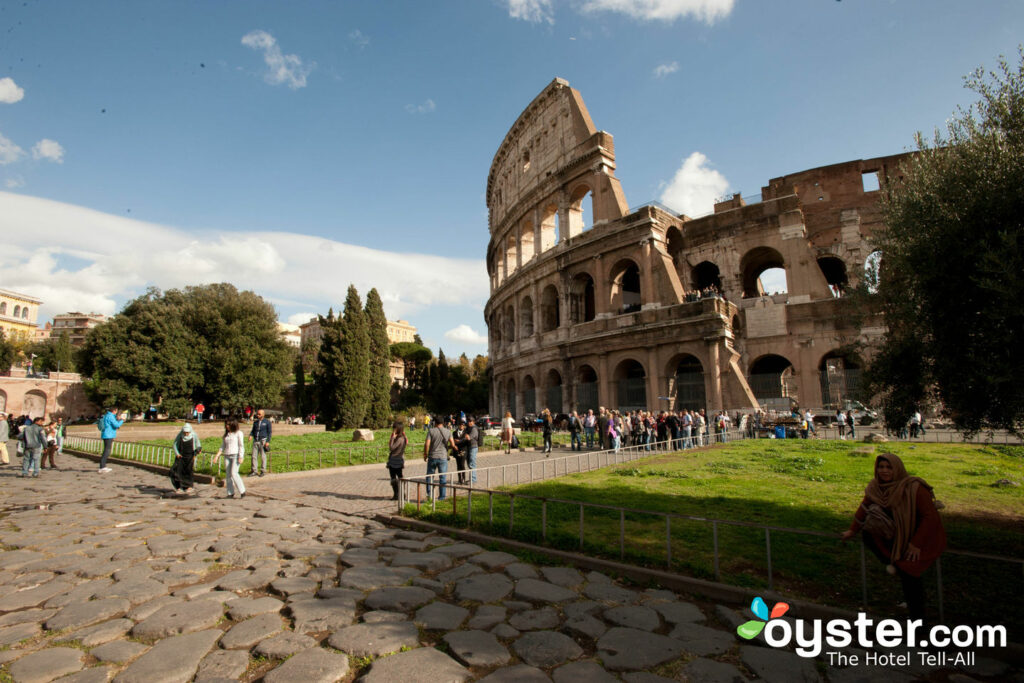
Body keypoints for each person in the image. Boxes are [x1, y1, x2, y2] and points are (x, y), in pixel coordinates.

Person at [841, 453, 946, 621]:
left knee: (911, 581)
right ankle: (895, 563)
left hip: (917, 538)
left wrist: (916, 544)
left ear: (897, 468)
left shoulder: (914, 488)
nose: (884, 471)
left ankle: (919, 625)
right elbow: (864, 509)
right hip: (895, 538)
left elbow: (930, 517)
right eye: (881, 467)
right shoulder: (876, 488)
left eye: (889, 467)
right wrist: (852, 531)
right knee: (869, 534)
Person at [423, 415, 455, 500]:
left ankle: (429, 496)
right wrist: (447, 447)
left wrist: (425, 454)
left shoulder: (431, 431)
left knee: (430, 477)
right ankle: (442, 497)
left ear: (435, 423)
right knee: (443, 478)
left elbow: (427, 444)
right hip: (443, 457)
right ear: (443, 423)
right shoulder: (448, 432)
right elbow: (452, 444)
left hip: (432, 456)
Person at [213, 420, 246, 499]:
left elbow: (241, 445)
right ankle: (230, 493)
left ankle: (242, 491)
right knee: (228, 475)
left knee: (234, 473)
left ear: (233, 424)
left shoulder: (238, 433)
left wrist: (241, 456)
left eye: (228, 424)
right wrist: (217, 456)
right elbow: (223, 446)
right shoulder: (226, 435)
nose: (227, 426)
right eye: (226, 424)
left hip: (235, 455)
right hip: (227, 455)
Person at [170, 423, 201, 494]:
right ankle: (179, 486)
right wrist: (177, 453)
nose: (186, 434)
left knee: (188, 471)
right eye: (185, 432)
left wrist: (197, 451)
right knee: (178, 471)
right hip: (181, 456)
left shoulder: (194, 435)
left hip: (190, 456)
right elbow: (175, 444)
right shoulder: (180, 435)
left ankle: (189, 486)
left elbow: (198, 444)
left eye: (187, 432)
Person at [97, 406, 124, 473]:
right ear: (114, 410)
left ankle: (103, 466)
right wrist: (121, 421)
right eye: (116, 411)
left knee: (106, 450)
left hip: (106, 434)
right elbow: (116, 425)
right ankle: (102, 467)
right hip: (108, 435)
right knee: (107, 451)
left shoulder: (107, 415)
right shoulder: (110, 416)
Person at [387, 420, 408, 501]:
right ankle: (397, 494)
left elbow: (391, 447)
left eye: (394, 428)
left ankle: (401, 494)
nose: (393, 430)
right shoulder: (402, 438)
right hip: (395, 460)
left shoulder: (400, 439)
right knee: (394, 478)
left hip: (396, 460)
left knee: (398, 477)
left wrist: (392, 438)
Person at [249, 409, 272, 476]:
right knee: (254, 456)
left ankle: (263, 470)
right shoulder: (255, 422)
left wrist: (268, 441)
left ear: (263, 414)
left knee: (263, 456)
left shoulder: (267, 422)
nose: (258, 415)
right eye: (257, 414)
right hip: (256, 440)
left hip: (263, 441)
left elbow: (269, 432)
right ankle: (254, 470)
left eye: (259, 414)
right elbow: (253, 431)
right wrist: (250, 435)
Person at [452, 420, 468, 484]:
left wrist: (459, 441)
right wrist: (454, 445)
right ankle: (459, 479)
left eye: (463, 425)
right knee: (458, 465)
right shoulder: (454, 433)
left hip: (464, 450)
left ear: (464, 426)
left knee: (462, 464)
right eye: (460, 425)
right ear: (458, 425)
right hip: (457, 450)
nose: (462, 426)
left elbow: (467, 441)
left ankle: (464, 478)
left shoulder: (466, 433)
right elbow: (452, 440)